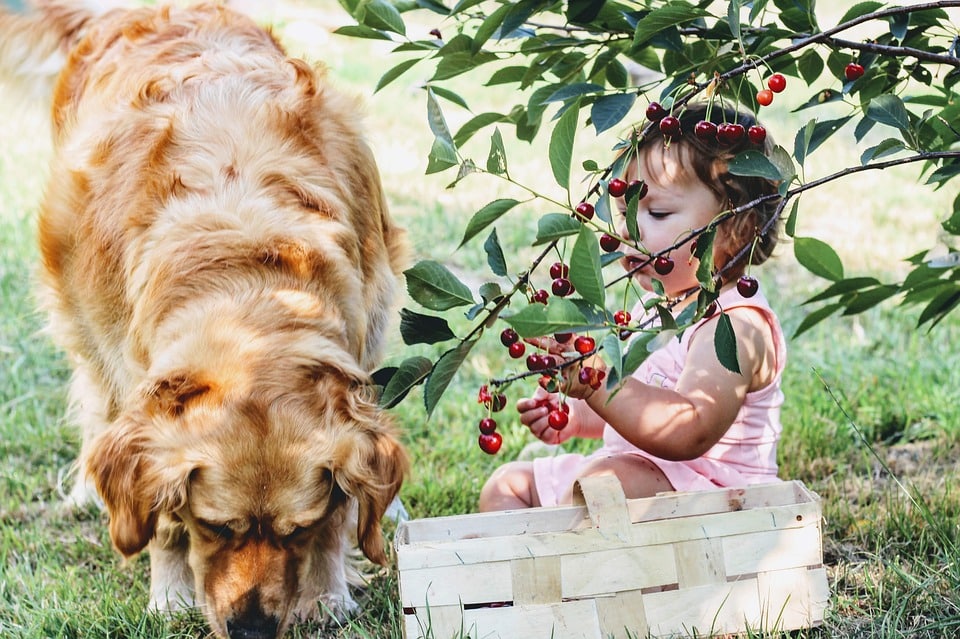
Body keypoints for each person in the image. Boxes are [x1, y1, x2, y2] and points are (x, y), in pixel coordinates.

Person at [479, 103, 786, 511]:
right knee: (507, 485)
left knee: (602, 487)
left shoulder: (736, 325)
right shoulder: (656, 307)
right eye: (625, 211)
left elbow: (689, 428)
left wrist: (597, 385)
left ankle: (577, 567)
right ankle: (537, 571)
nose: (628, 231)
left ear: (736, 228)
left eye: (656, 212)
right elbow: (632, 411)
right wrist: (577, 414)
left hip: (714, 499)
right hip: (634, 472)